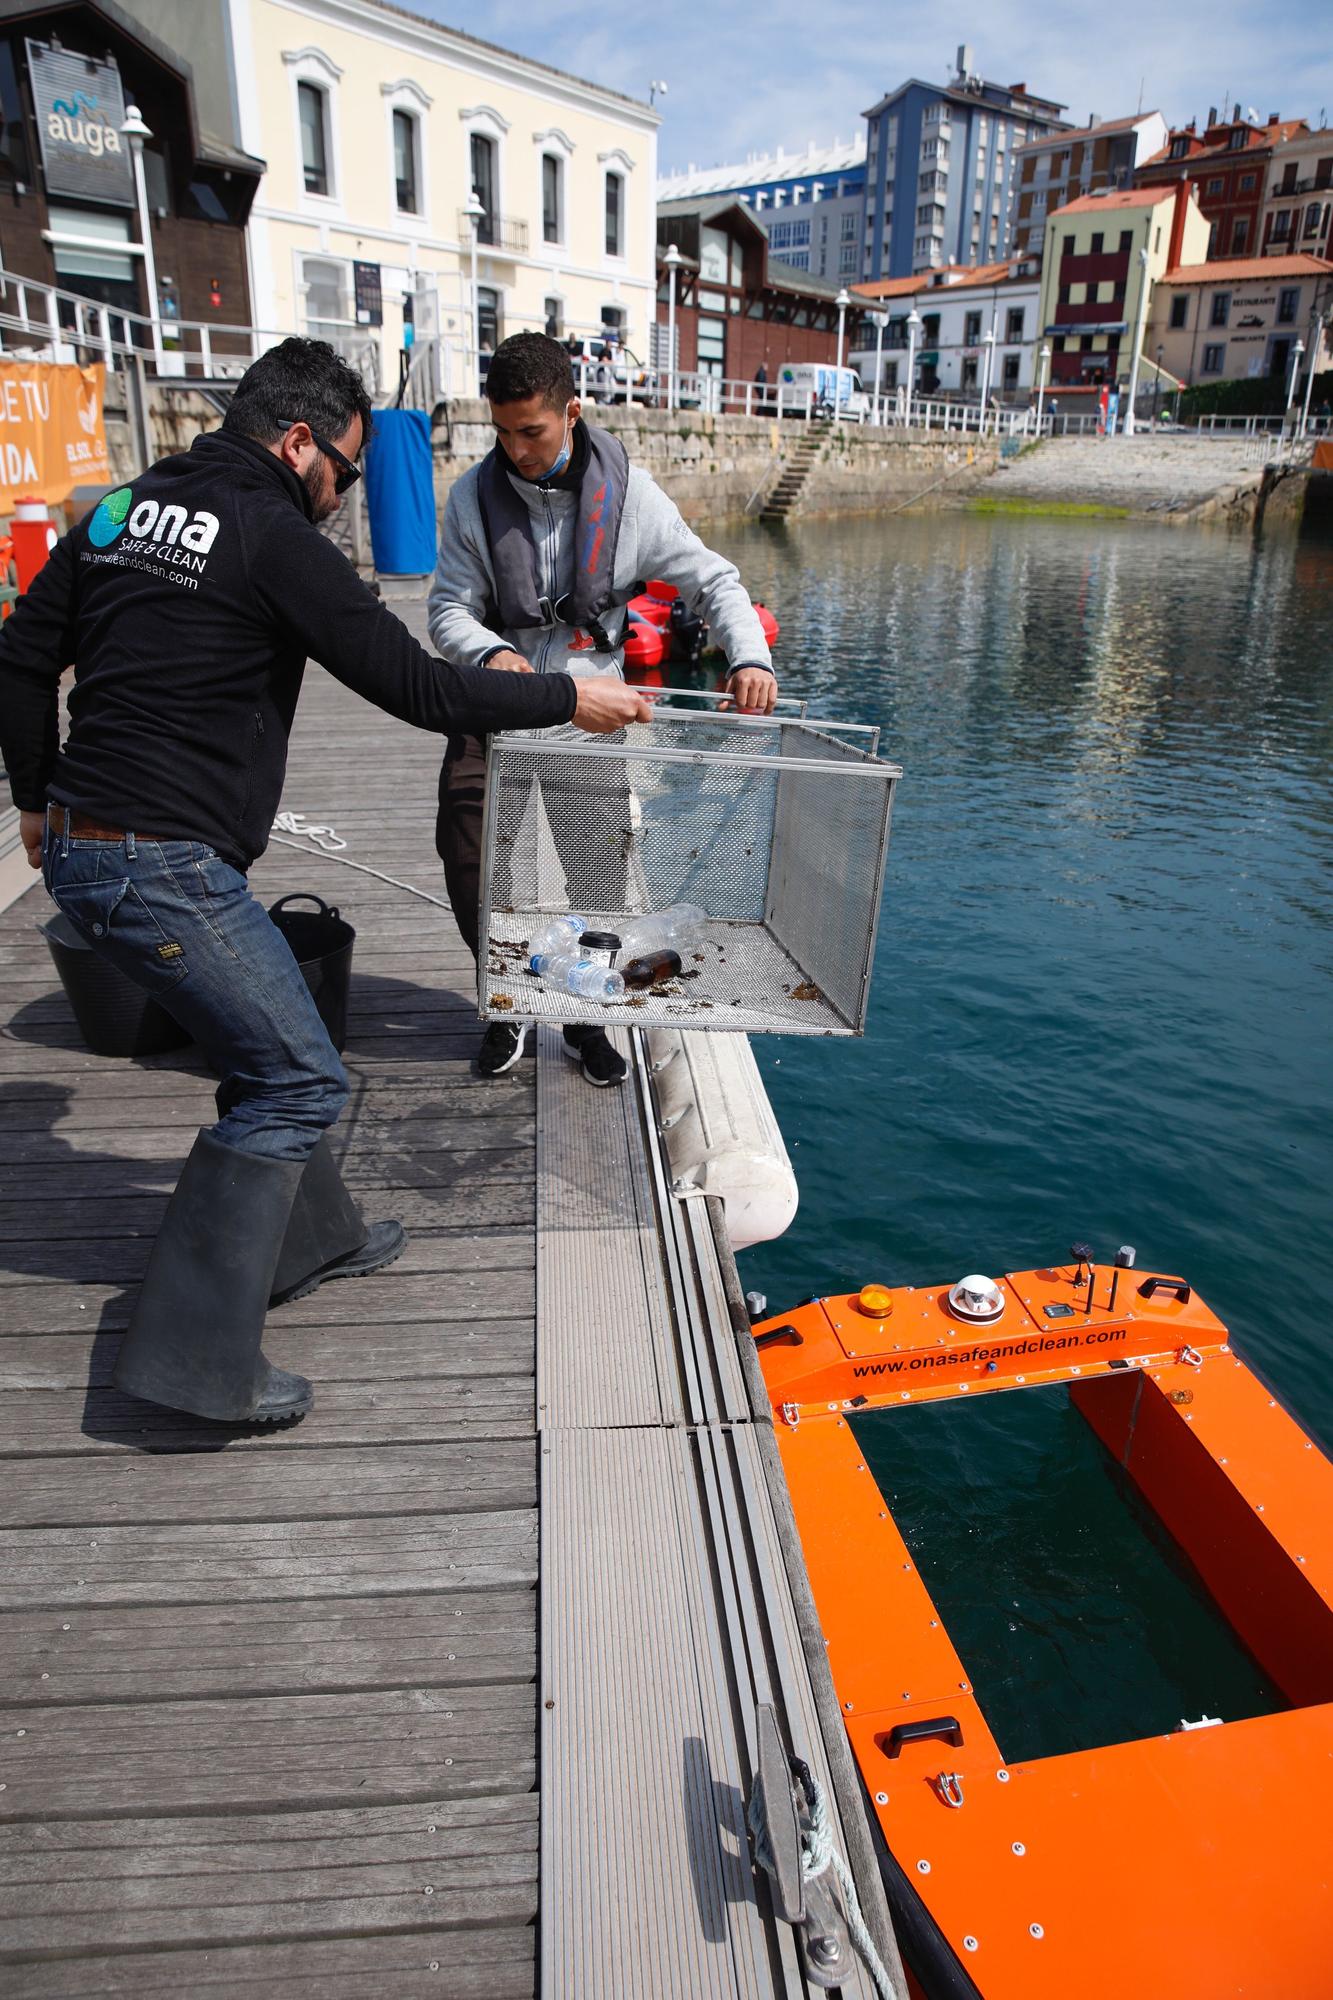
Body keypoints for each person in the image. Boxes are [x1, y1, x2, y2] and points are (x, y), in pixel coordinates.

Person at [0, 336, 649, 1427]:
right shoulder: (270, 532)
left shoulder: (116, 511)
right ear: (296, 441)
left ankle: (313, 1239)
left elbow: (19, 656)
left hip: (88, 841)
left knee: (279, 1039)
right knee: (297, 1080)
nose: (343, 494)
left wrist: (34, 796)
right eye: (342, 472)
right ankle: (191, 1364)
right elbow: (416, 685)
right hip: (157, 860)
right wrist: (560, 700)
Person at [428, 330, 777, 1087]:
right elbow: (447, 609)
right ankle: (507, 999)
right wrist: (492, 654)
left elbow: (712, 581)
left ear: (572, 412)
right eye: (502, 433)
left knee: (597, 873)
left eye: (533, 432)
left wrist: (750, 656)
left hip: (592, 704)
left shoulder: (633, 499)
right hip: (496, 698)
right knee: (468, 855)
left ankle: (586, 1019)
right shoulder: (469, 499)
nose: (516, 450)